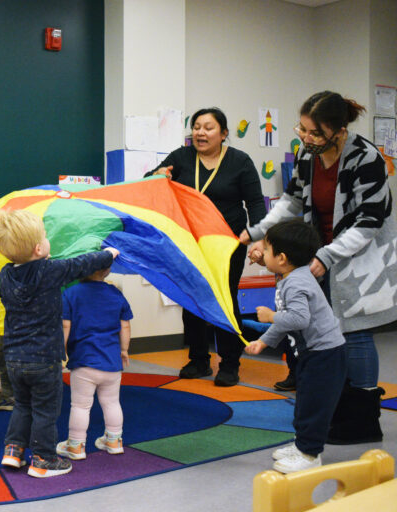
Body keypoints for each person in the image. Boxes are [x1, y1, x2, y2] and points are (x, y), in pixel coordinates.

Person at [242, 91, 397, 444]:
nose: (306, 138)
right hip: (320, 256)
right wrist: (256, 231)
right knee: (325, 333)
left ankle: (363, 418)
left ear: (339, 132)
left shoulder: (366, 158)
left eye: (314, 133)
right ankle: (337, 408)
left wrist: (327, 256)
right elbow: (292, 201)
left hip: (360, 259)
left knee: (354, 332)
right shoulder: (307, 156)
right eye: (303, 130)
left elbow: (369, 223)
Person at [0, 209, 119, 478]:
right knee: (45, 410)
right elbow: (80, 264)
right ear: (39, 248)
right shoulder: (49, 271)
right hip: (43, 358)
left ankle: (13, 450)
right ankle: (44, 460)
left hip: (14, 356)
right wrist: (108, 255)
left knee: (23, 405)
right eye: (46, 237)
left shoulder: (5, 275)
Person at [147, 107, 266, 386]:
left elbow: (256, 203)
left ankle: (229, 363)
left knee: (225, 300)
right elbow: (150, 182)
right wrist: (158, 174)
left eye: (208, 127)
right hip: (190, 241)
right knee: (192, 299)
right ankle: (199, 360)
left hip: (228, 243)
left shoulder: (240, 161)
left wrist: (257, 235)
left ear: (224, 134)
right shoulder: (181, 157)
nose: (200, 132)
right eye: (197, 127)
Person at [245, 219, 346, 473]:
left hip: (325, 355)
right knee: (304, 401)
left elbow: (299, 319)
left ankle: (310, 455)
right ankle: (302, 444)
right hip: (312, 353)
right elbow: (288, 322)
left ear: (282, 258)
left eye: (266, 250)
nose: (262, 254)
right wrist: (264, 341)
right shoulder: (291, 274)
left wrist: (270, 317)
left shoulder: (296, 282)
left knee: (313, 404)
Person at [56, 266, 132, 461]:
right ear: (107, 270)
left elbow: (66, 325)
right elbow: (125, 324)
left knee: (80, 406)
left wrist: (61, 352)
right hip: (112, 363)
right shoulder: (116, 293)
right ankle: (114, 441)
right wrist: (124, 350)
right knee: (112, 402)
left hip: (84, 362)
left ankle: (75, 445)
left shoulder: (71, 294)